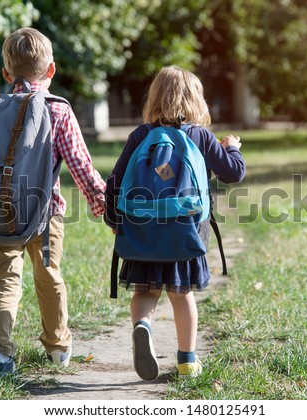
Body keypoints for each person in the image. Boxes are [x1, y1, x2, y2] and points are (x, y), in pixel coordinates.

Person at [0, 27, 106, 377]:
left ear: (6, 74)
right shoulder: (58, 110)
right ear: (51, 70)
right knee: (49, 276)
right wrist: (103, 205)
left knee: (5, 278)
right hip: (46, 211)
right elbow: (80, 165)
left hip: (0, 211)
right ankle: (57, 346)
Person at [105, 65, 245, 380]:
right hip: (185, 233)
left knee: (145, 292)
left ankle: (143, 326)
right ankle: (187, 361)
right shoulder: (199, 136)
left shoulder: (141, 135)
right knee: (182, 295)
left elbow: (115, 181)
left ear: (153, 98)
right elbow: (233, 172)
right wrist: (231, 147)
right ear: (197, 100)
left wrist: (114, 219)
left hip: (142, 231)